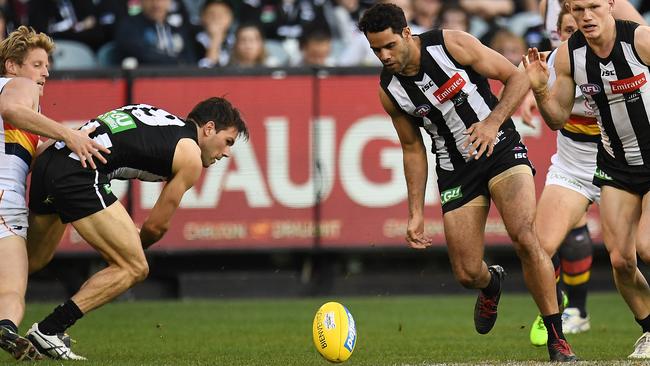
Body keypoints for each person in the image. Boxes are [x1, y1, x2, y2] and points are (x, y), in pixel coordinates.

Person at [358, 3, 577, 362]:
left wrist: (492, 123)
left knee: (524, 236)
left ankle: (557, 337)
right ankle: (491, 283)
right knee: (465, 272)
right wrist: (415, 212)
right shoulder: (390, 90)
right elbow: (413, 149)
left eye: (389, 46)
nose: (384, 56)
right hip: (455, 169)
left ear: (407, 34)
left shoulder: (450, 45)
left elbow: (518, 76)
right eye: (376, 50)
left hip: (501, 147)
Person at [23, 97, 248, 360]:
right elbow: (156, 226)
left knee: (30, 260)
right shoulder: (191, 157)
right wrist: (131, 250)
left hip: (52, 159)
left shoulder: (165, 122)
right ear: (209, 128)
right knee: (135, 267)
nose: (227, 153)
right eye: (228, 141)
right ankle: (49, 329)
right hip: (78, 171)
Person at [524, 0, 650, 359]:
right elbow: (556, 118)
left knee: (647, 246)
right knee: (621, 261)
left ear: (612, 4)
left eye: (594, 6)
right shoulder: (567, 56)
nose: (586, 16)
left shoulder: (640, 40)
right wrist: (539, 89)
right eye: (578, 10)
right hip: (613, 165)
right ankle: (649, 328)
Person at [0, 25, 109, 361]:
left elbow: (21, 148)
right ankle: (5, 327)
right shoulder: (20, 87)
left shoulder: (24, 107)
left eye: (47, 66)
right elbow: (12, 111)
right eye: (37, 64)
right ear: (12, 66)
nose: (45, 73)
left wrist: (63, 141)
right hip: (5, 199)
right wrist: (69, 136)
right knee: (12, 288)